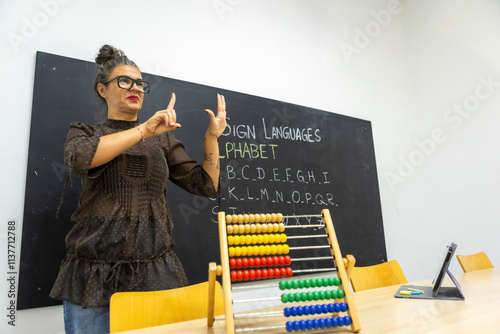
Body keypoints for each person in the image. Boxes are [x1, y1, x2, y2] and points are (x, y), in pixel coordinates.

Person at [49, 44, 227, 334]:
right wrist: (144, 130)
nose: (135, 87)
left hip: (155, 272)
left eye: (139, 83)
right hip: (94, 274)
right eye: (124, 81)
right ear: (102, 89)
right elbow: (81, 158)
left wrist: (211, 138)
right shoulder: (86, 133)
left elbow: (206, 185)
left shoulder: (163, 141)